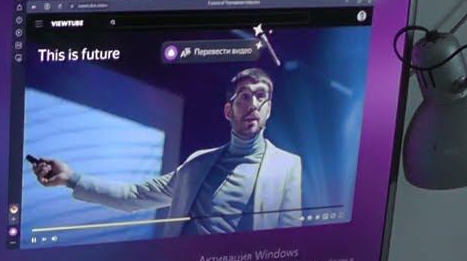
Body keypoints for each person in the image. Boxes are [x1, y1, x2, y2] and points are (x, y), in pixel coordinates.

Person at [33, 67, 302, 237]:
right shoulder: (198, 164)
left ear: (269, 109)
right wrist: (70, 178)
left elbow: (290, 240)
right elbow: (132, 196)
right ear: (228, 110)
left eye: (261, 96)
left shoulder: (287, 166)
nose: (253, 104)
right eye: (244, 96)